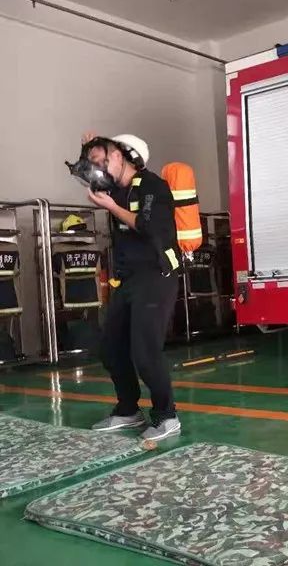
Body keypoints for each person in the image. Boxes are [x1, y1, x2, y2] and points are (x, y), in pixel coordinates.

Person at [80, 132, 182, 441]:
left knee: (145, 350)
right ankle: (128, 410)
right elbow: (93, 178)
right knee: (111, 347)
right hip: (128, 278)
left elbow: (149, 227)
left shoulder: (153, 186)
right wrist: (88, 149)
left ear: (121, 156)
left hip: (156, 274)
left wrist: (112, 207)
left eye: (101, 161)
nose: (97, 169)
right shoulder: (114, 191)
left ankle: (166, 416)